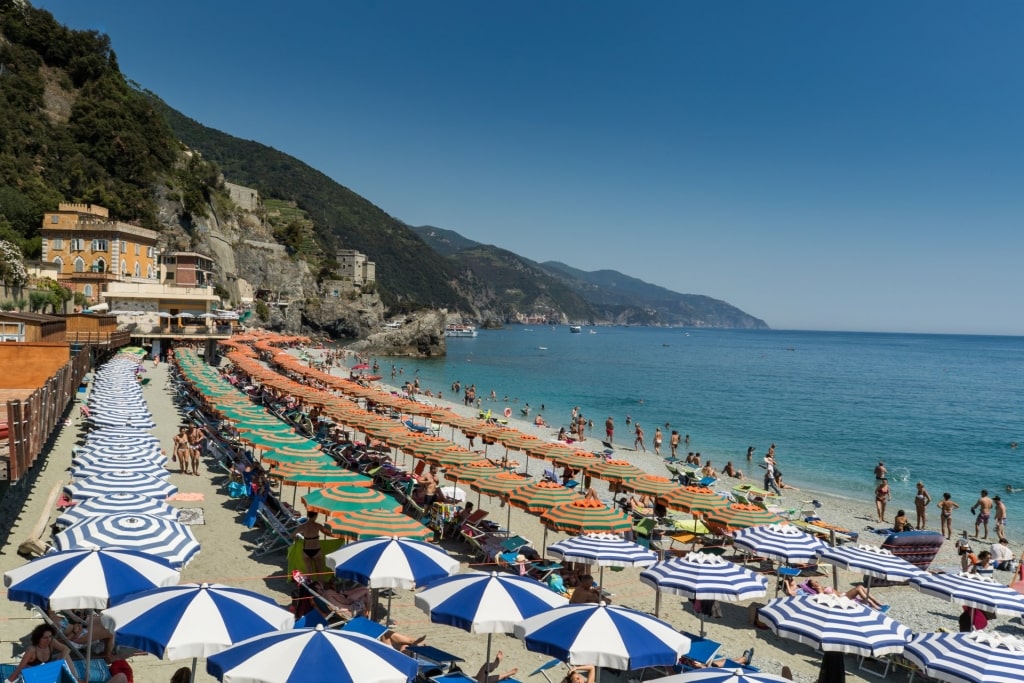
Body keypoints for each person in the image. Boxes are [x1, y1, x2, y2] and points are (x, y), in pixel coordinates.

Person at [5, 624, 84, 683]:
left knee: (66, 656)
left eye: (50, 636)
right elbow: (20, 668)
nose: (48, 639)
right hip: (35, 675)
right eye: (45, 637)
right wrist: (9, 681)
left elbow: (66, 649)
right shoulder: (31, 650)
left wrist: (59, 662)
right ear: (38, 638)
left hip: (47, 671)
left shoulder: (51, 642)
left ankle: (75, 679)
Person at [806, 580, 886, 611]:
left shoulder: (822, 587)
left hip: (843, 595)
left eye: (816, 581)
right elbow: (822, 596)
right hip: (842, 598)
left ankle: (876, 602)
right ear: (813, 586)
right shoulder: (819, 589)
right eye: (815, 583)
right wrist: (821, 590)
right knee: (858, 588)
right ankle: (873, 605)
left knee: (861, 586)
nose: (817, 582)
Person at [294, 510, 328, 576]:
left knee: (309, 572)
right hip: (316, 549)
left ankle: (311, 585)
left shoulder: (302, 526)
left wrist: (297, 540)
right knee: (320, 571)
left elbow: (292, 535)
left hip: (306, 549)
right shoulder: (318, 525)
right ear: (315, 516)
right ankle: (321, 585)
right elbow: (327, 533)